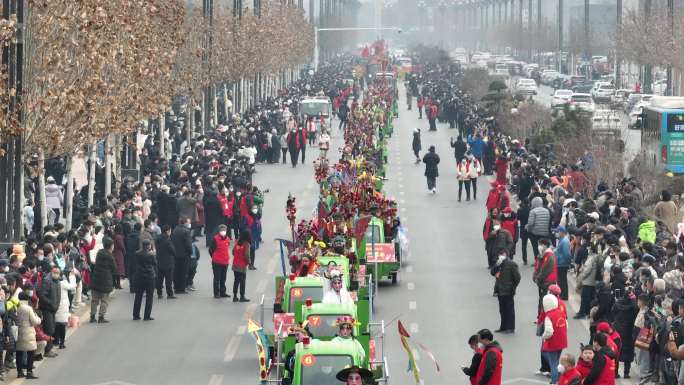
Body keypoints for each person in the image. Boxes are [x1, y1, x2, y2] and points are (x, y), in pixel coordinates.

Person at [541, 293, 568, 385]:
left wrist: (543, 337)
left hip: (553, 342)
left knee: (553, 363)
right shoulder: (561, 313)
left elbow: (549, 331)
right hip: (562, 341)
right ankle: (558, 376)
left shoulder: (548, 316)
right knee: (556, 360)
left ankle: (554, 381)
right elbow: (566, 325)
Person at [491, 252, 521, 334]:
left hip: (508, 291)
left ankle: (511, 327)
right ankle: (503, 327)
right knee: (502, 310)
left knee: (509, 310)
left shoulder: (512, 264)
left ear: (506, 255)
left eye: (502, 254)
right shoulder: (499, 264)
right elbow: (492, 273)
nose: (500, 256)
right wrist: (497, 265)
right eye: (499, 254)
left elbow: (517, 278)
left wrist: (513, 287)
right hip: (500, 290)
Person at [90, 236, 117, 323]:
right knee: (104, 300)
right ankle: (101, 317)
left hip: (96, 279)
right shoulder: (110, 256)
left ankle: (92, 316)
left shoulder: (99, 253)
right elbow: (114, 268)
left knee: (94, 299)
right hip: (106, 281)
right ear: (110, 246)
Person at [16, 290, 40, 379]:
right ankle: (29, 372)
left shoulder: (16, 307)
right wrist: (39, 318)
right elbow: (34, 321)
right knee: (31, 352)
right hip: (28, 333)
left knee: (19, 352)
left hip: (18, 332)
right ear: (27, 298)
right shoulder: (28, 308)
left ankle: (19, 372)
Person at [38, 264, 60, 358]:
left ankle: (49, 348)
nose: (56, 274)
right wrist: (51, 303)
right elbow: (42, 295)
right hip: (47, 309)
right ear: (51, 271)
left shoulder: (57, 281)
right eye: (55, 272)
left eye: (58, 272)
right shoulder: (47, 281)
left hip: (53, 309)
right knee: (49, 329)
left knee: (52, 328)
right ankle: (48, 350)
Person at [133, 239, 157, 321]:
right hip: (149, 277)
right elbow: (155, 263)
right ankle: (147, 316)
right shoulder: (151, 255)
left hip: (139, 276)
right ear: (149, 246)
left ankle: (136, 315)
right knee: (149, 297)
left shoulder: (137, 253)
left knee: (138, 296)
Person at [54, 269, 76, 349]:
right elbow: (72, 286)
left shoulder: (52, 282)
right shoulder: (63, 283)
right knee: (62, 325)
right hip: (62, 307)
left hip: (55, 306)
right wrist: (72, 277)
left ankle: (56, 341)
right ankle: (61, 343)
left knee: (56, 324)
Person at [171, 217, 193, 294]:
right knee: (183, 272)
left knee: (176, 271)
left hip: (176, 254)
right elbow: (188, 244)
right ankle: (181, 288)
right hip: (184, 255)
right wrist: (190, 252)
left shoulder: (175, 230)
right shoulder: (186, 231)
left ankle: (176, 287)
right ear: (185, 223)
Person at [209, 224, 231, 299]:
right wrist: (214, 257)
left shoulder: (227, 239)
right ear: (219, 231)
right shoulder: (215, 239)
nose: (223, 232)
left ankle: (222, 292)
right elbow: (211, 250)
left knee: (223, 278)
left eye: (224, 230)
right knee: (217, 278)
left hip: (225, 262)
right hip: (217, 262)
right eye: (222, 230)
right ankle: (216, 293)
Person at [155, 224, 176, 299]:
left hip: (159, 260)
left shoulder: (157, 238)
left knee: (159, 279)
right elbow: (172, 250)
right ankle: (169, 294)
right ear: (167, 231)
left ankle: (159, 293)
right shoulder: (167, 239)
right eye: (170, 231)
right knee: (168, 279)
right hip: (168, 262)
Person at [232, 231, 250, 302]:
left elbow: (233, 252)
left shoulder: (237, 242)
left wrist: (237, 256)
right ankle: (242, 297)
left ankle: (235, 296)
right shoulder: (246, 244)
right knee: (242, 281)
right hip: (242, 266)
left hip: (235, 265)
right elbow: (247, 255)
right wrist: (249, 262)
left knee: (236, 281)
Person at [555, 226, 571, 301]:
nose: (557, 233)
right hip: (560, 262)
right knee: (561, 280)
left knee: (562, 280)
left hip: (562, 263)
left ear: (562, 232)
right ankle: (562, 294)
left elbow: (566, 254)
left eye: (558, 232)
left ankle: (564, 295)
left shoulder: (564, 241)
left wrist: (567, 263)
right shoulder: (562, 240)